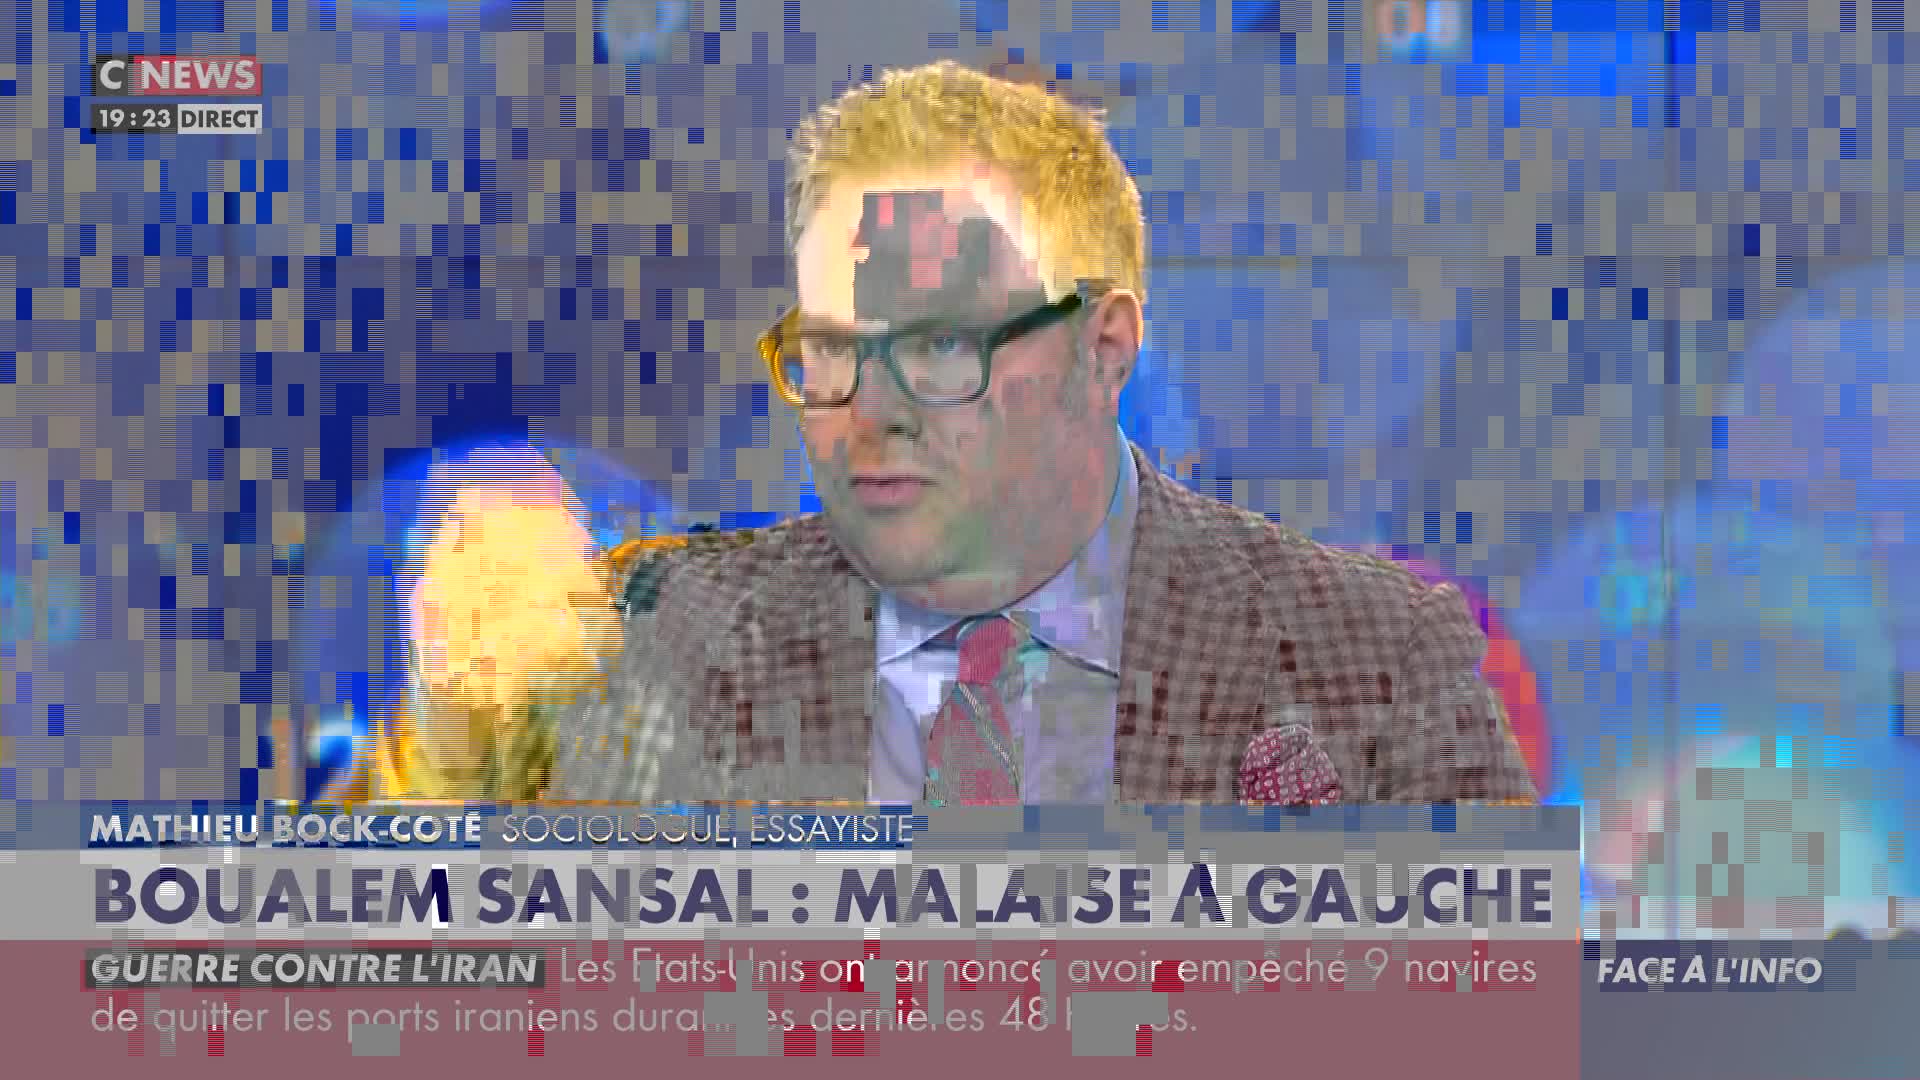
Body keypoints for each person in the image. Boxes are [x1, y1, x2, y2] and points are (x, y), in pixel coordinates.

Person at [343, 60, 1535, 806]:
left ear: (1104, 348)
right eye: (832, 352)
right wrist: (446, 758)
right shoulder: (646, 638)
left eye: (939, 350)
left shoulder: (1375, 664)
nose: (868, 413)